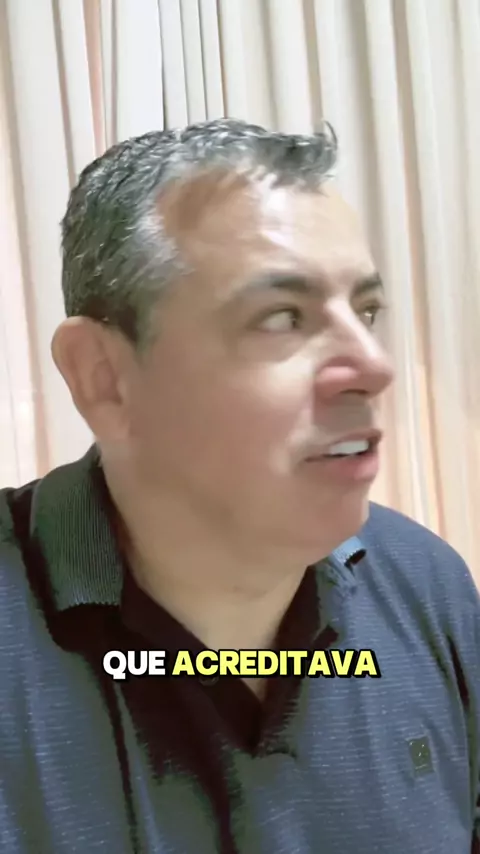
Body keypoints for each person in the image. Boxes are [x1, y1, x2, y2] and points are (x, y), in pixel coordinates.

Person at [0, 118, 478, 854]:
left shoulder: (426, 585)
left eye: (366, 311)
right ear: (105, 378)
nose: (375, 367)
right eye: (282, 317)